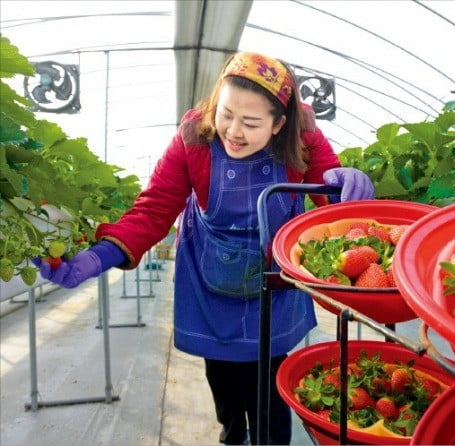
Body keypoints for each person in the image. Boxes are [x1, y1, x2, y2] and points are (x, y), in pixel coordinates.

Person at [34, 52, 374, 445]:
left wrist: (346, 188)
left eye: (251, 123)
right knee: (223, 378)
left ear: (280, 124)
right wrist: (98, 257)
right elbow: (155, 208)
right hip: (211, 277)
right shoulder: (193, 139)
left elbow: (334, 206)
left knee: (270, 384)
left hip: (273, 283)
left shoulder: (304, 138)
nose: (233, 131)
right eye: (226, 114)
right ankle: (231, 434)